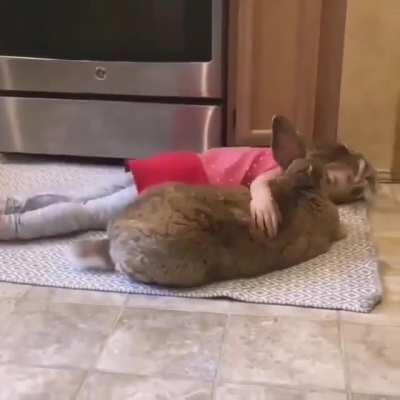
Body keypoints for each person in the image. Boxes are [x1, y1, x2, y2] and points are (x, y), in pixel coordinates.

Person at [0, 116, 375, 240]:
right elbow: (265, 182)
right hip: (182, 181)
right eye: (332, 177)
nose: (324, 185)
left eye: (336, 190)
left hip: (182, 164)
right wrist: (260, 195)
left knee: (85, 199)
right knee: (91, 215)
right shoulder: (290, 164)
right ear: (322, 159)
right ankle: (13, 226)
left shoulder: (288, 157)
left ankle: (14, 204)